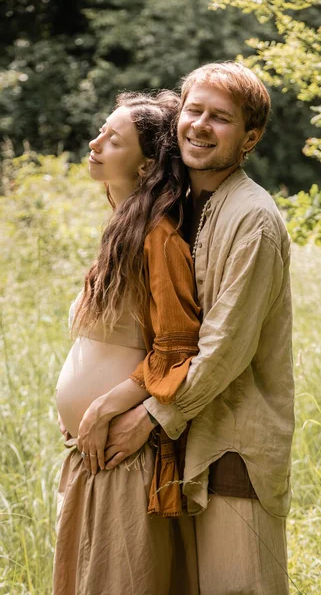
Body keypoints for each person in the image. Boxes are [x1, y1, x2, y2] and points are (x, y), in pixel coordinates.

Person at [103, 62, 295, 594]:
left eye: (221, 118)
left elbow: (224, 349)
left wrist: (149, 415)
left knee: (238, 587)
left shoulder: (252, 218)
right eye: (194, 110)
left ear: (250, 137)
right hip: (179, 446)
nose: (201, 125)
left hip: (233, 447)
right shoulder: (181, 204)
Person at [53, 91, 202, 594]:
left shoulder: (158, 237)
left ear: (144, 168)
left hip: (125, 454)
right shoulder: (123, 229)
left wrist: (102, 409)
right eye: (102, 131)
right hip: (93, 456)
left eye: (113, 140)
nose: (95, 144)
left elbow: (177, 347)